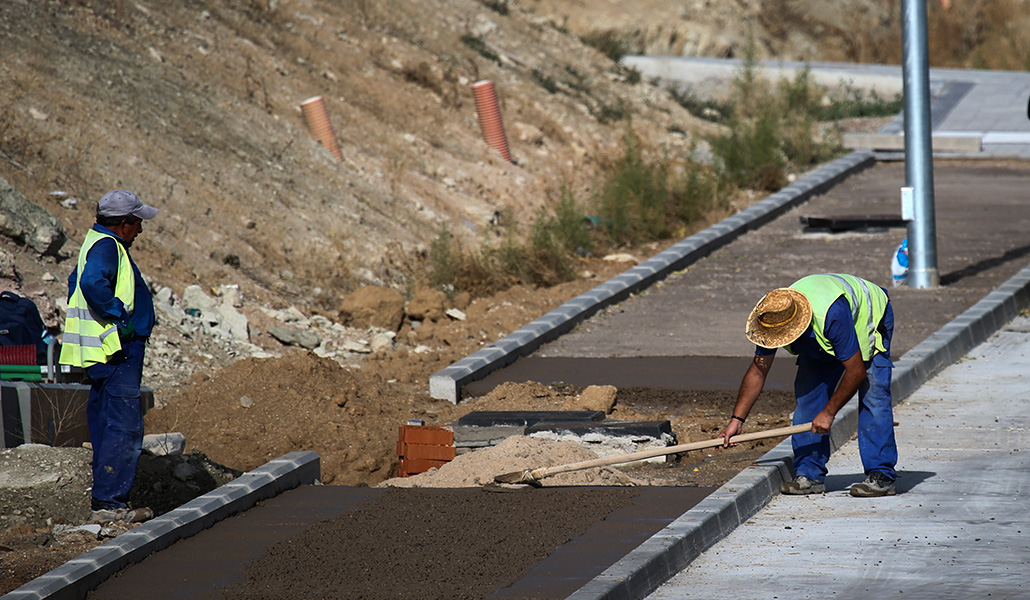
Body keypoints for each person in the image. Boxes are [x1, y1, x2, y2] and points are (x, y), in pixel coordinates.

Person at [719, 273, 898, 497]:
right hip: (821, 333)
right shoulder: (770, 315)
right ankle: (809, 474)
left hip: (868, 318)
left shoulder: (831, 316)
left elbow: (856, 372)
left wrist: (829, 413)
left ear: (797, 327)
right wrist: (737, 419)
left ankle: (881, 474)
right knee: (809, 397)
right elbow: (758, 370)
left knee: (874, 396)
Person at [60, 190, 159, 523]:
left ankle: (106, 499)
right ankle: (109, 504)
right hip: (117, 349)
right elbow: (90, 282)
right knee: (124, 425)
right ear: (123, 224)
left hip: (106, 351)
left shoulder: (97, 243)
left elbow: (77, 280)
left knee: (106, 418)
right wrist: (120, 315)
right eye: (137, 223)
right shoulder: (108, 248)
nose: (140, 230)